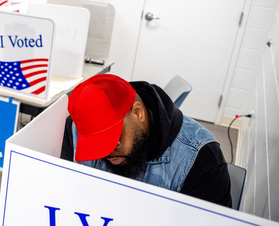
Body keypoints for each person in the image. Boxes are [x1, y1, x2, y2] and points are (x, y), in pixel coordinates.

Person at [60, 74, 232, 208]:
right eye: (95, 144)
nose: (106, 152)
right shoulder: (72, 130)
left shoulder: (201, 159)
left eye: (113, 139)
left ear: (138, 112)